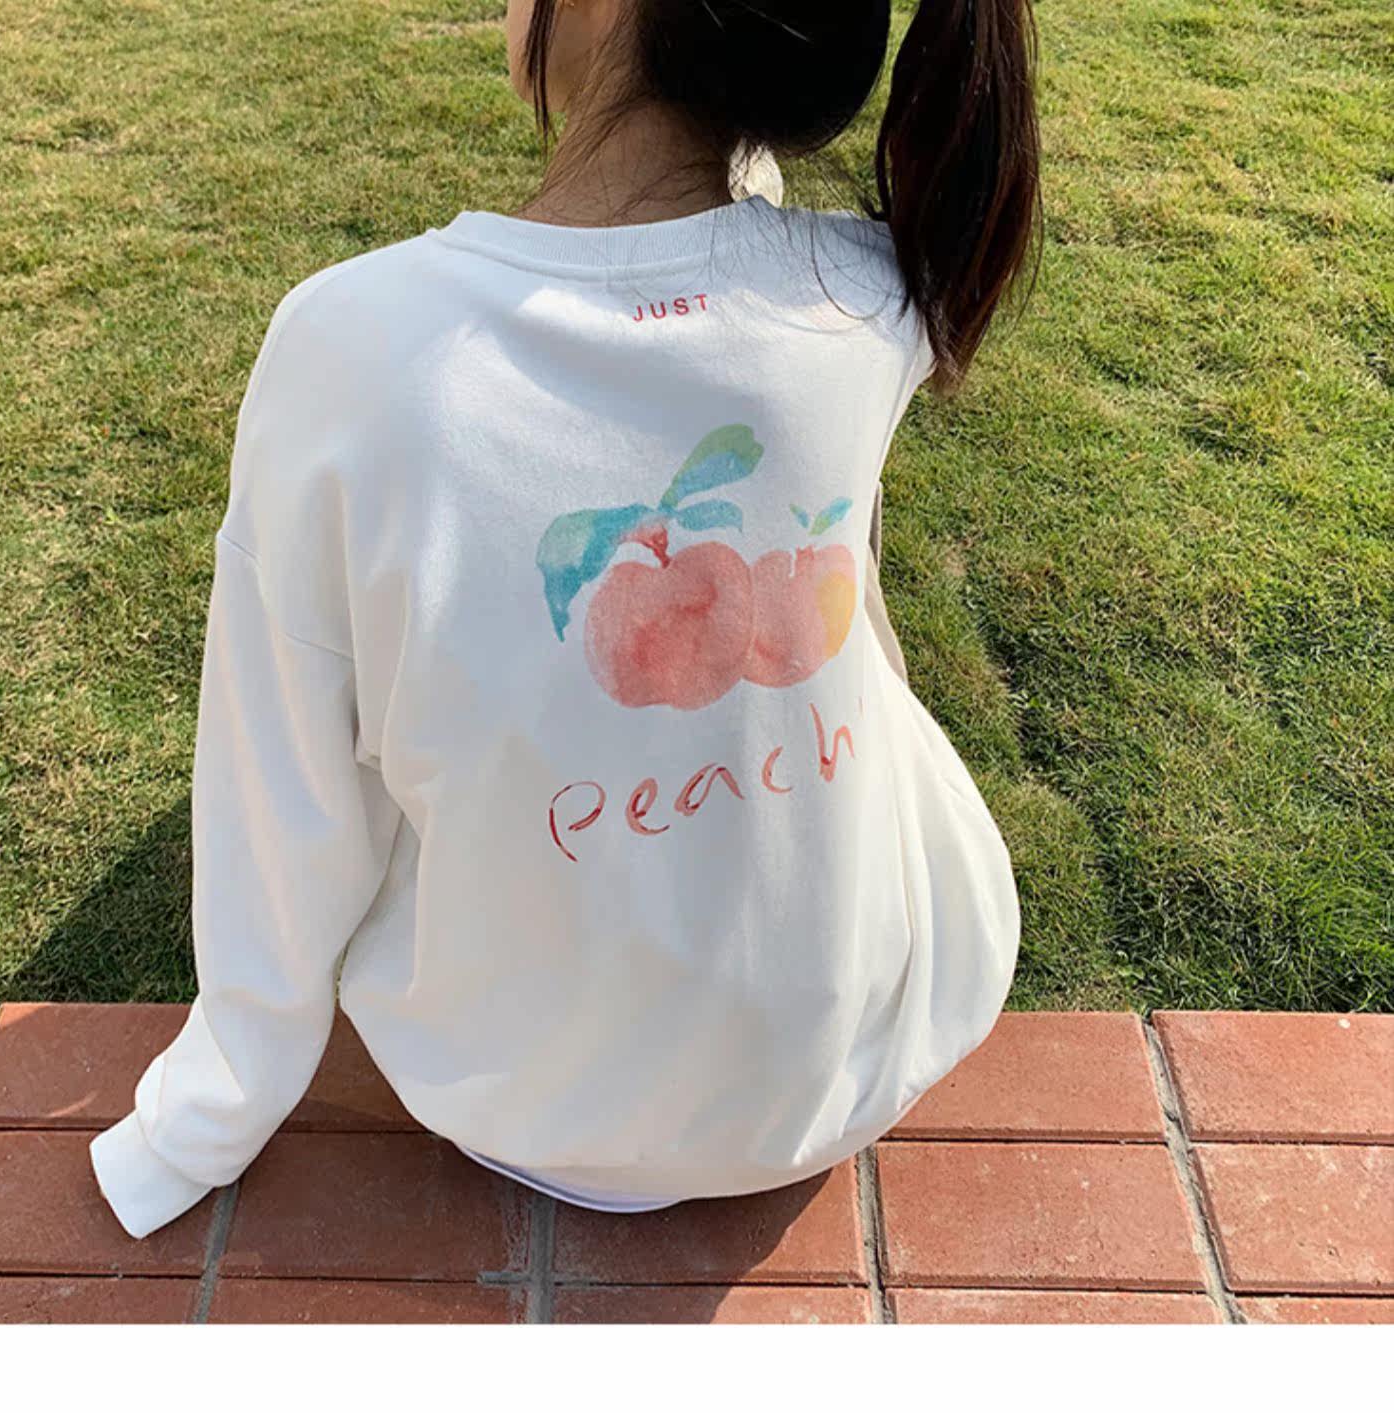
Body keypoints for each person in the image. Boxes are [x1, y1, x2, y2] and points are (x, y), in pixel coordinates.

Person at [90, 0, 1039, 1238]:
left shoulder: (353, 347)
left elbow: (282, 789)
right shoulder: (866, 296)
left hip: (519, 1096)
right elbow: (712, 260)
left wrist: (205, 1113)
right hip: (851, 1045)